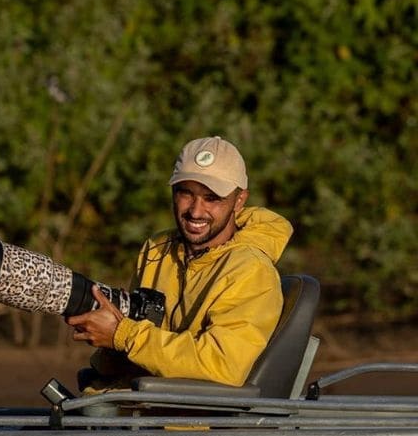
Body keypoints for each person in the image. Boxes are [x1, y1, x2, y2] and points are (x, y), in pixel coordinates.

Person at [69, 135, 292, 389]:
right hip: (132, 408)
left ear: (239, 201)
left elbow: (222, 365)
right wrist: (101, 332)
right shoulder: (157, 249)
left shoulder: (251, 270)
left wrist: (122, 334)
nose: (196, 211)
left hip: (183, 423)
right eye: (185, 193)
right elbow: (139, 345)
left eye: (212, 198)